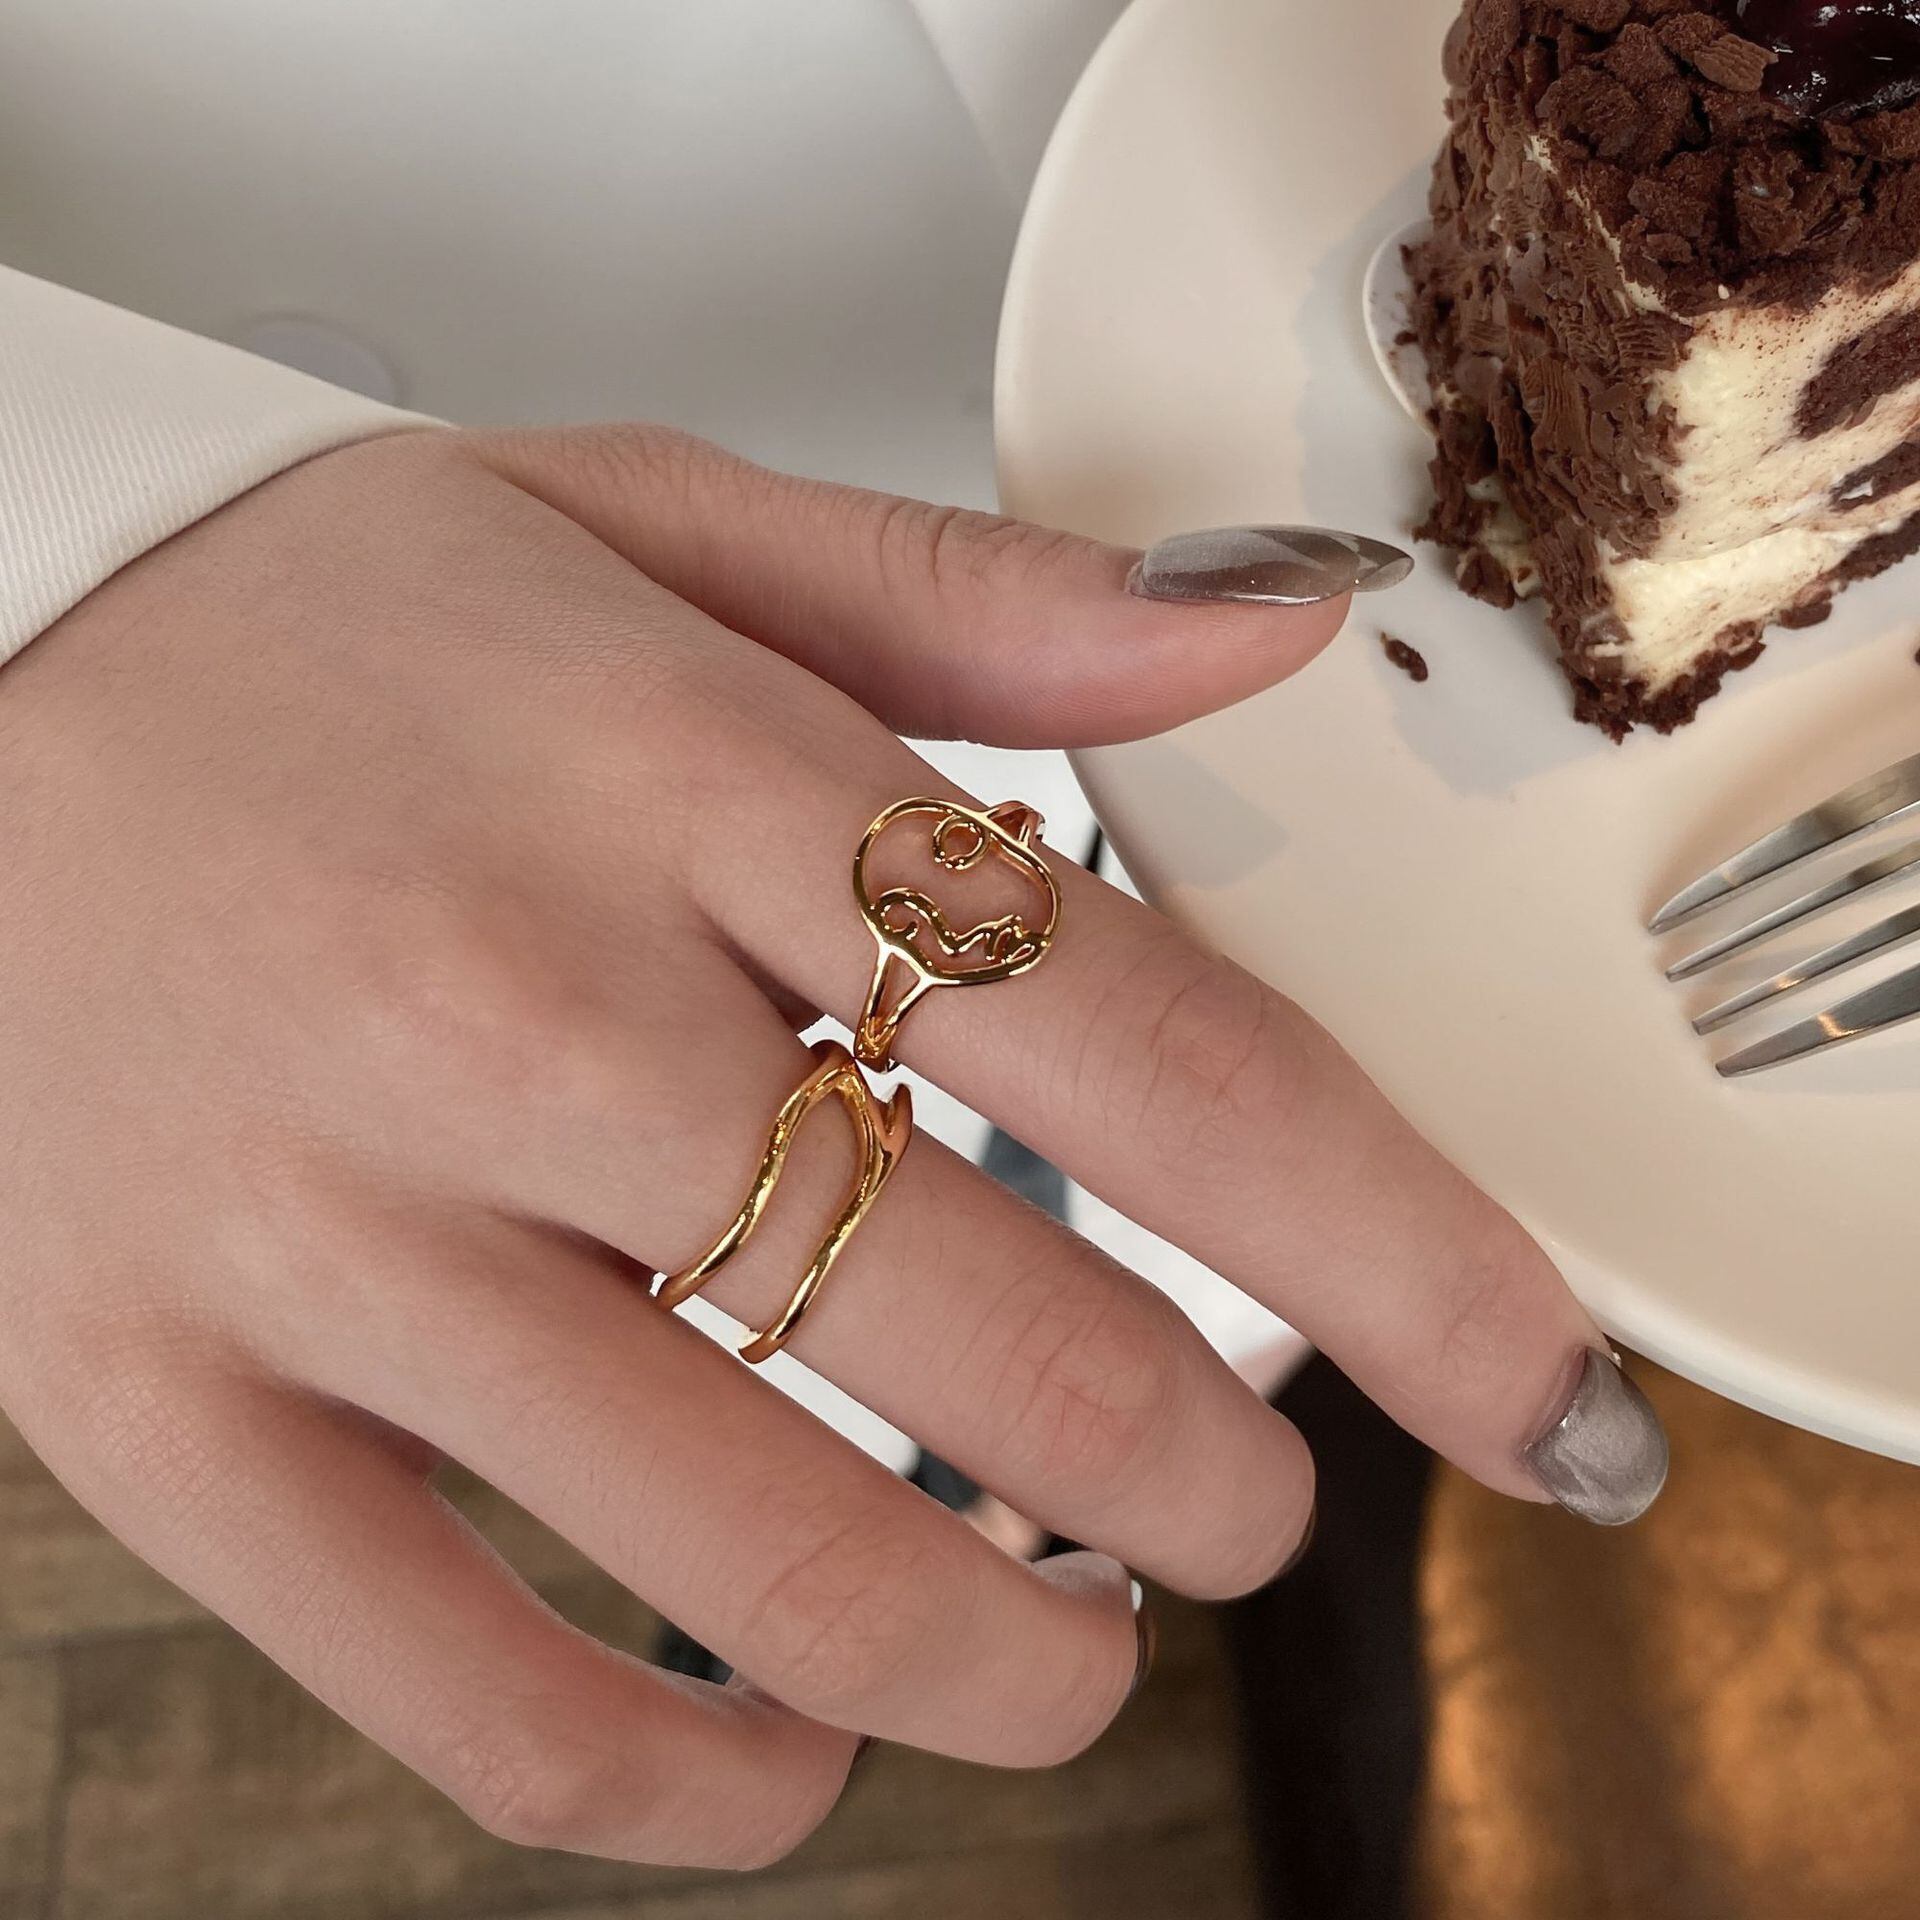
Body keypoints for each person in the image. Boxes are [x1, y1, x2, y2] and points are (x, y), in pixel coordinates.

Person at [0, 8, 1667, 1875]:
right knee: (731, 1401)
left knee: (1332, 1303)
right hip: (363, 711)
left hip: (1395, 539)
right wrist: (52, 556)